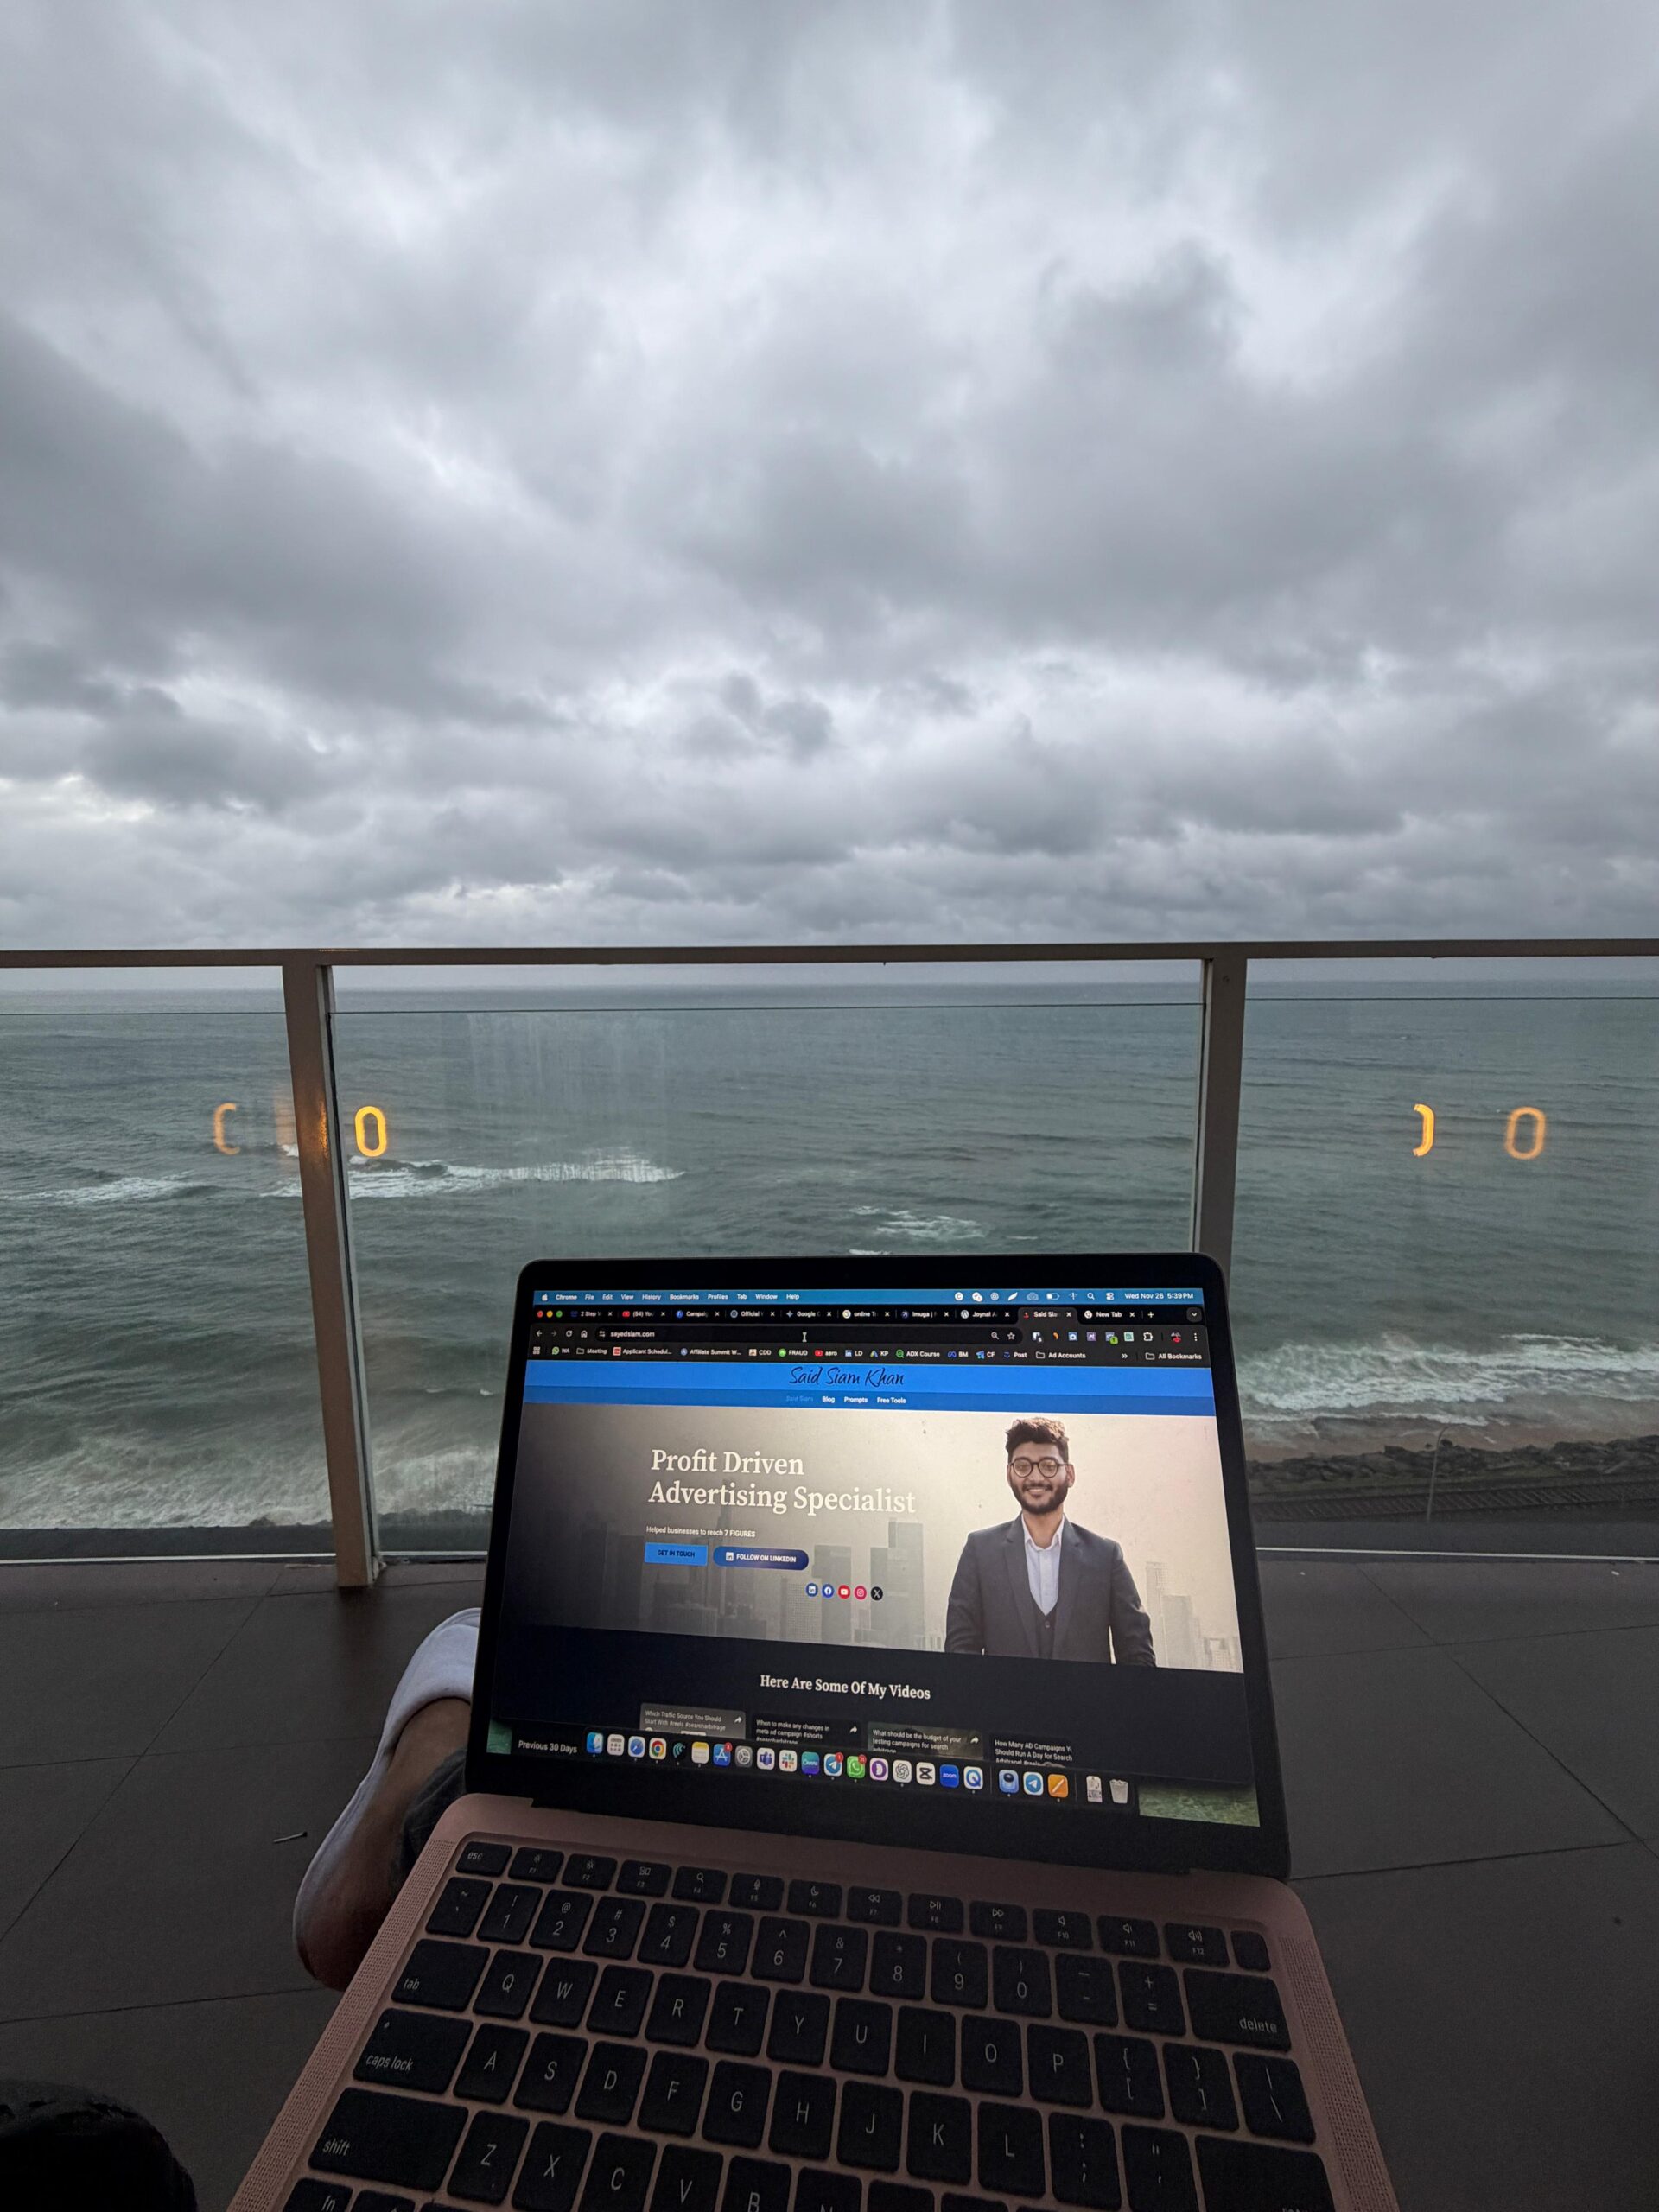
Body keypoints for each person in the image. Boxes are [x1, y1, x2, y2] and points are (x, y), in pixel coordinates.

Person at [944, 1416, 1155, 1662]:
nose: (1035, 1477)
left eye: (1048, 1465)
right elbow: (960, 1650)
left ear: (1070, 1475)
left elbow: (1138, 1655)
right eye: (1023, 1466)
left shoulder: (1106, 1556)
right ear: (1009, 1475)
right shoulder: (980, 1551)